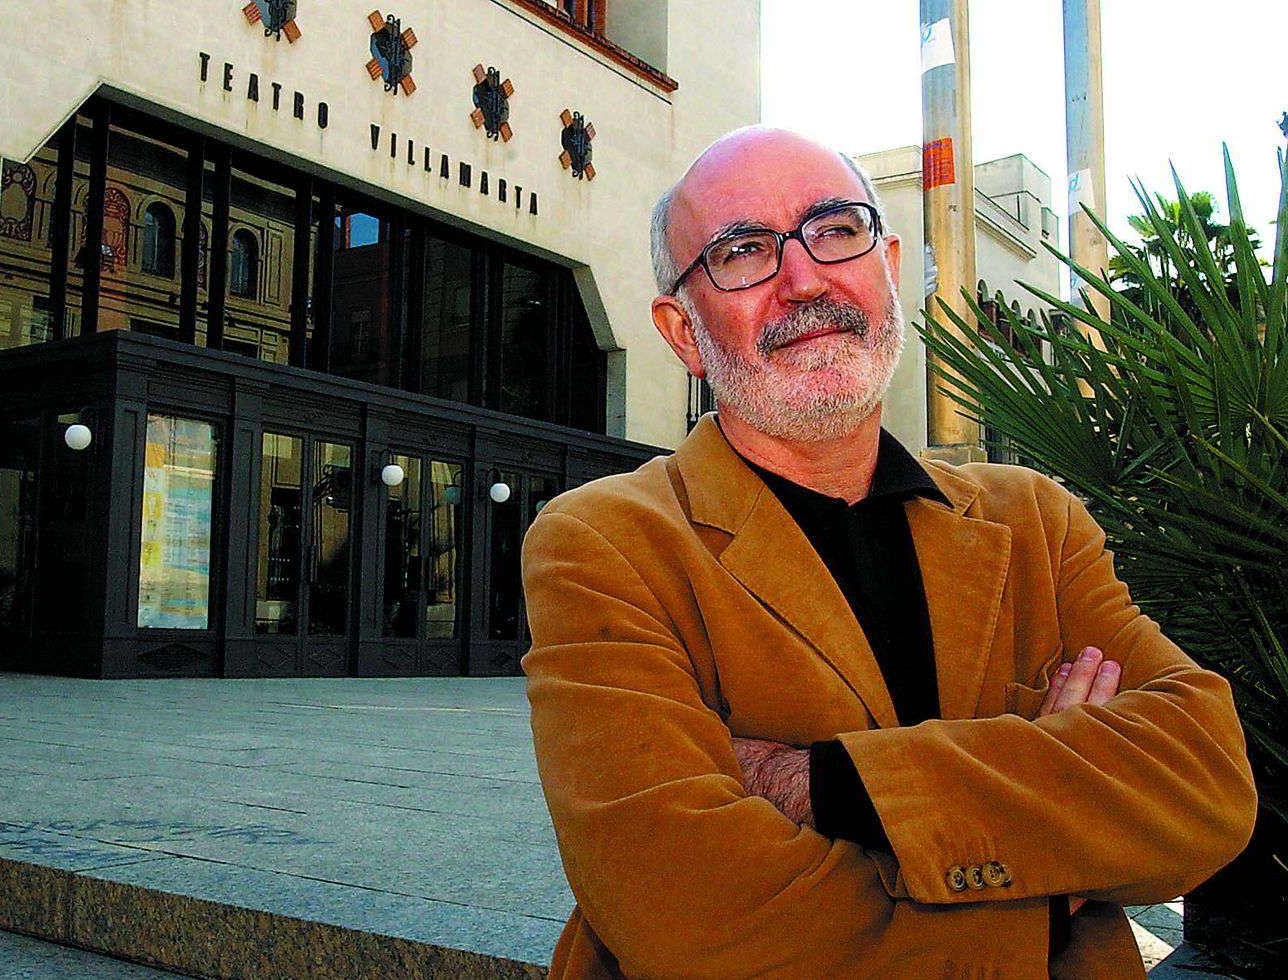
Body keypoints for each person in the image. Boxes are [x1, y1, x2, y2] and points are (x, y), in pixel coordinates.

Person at [520, 127, 1257, 979]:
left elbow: (1204, 780)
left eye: (836, 229)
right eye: (743, 250)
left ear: (889, 266)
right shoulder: (604, 543)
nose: (803, 278)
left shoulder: (1036, 524)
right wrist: (1047, 873)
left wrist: (824, 783)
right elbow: (689, 909)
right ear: (683, 331)